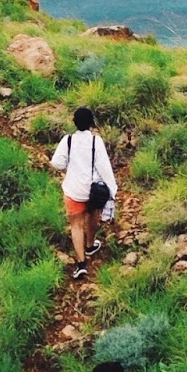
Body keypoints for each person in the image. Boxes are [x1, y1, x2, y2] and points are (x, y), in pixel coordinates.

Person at [49, 107, 116, 281]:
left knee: (76, 226)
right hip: (92, 190)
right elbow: (104, 167)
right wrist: (112, 189)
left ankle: (81, 264)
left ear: (74, 122)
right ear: (91, 123)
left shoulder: (68, 140)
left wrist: (68, 166)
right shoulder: (96, 141)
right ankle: (90, 245)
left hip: (73, 190)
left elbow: (56, 163)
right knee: (93, 215)